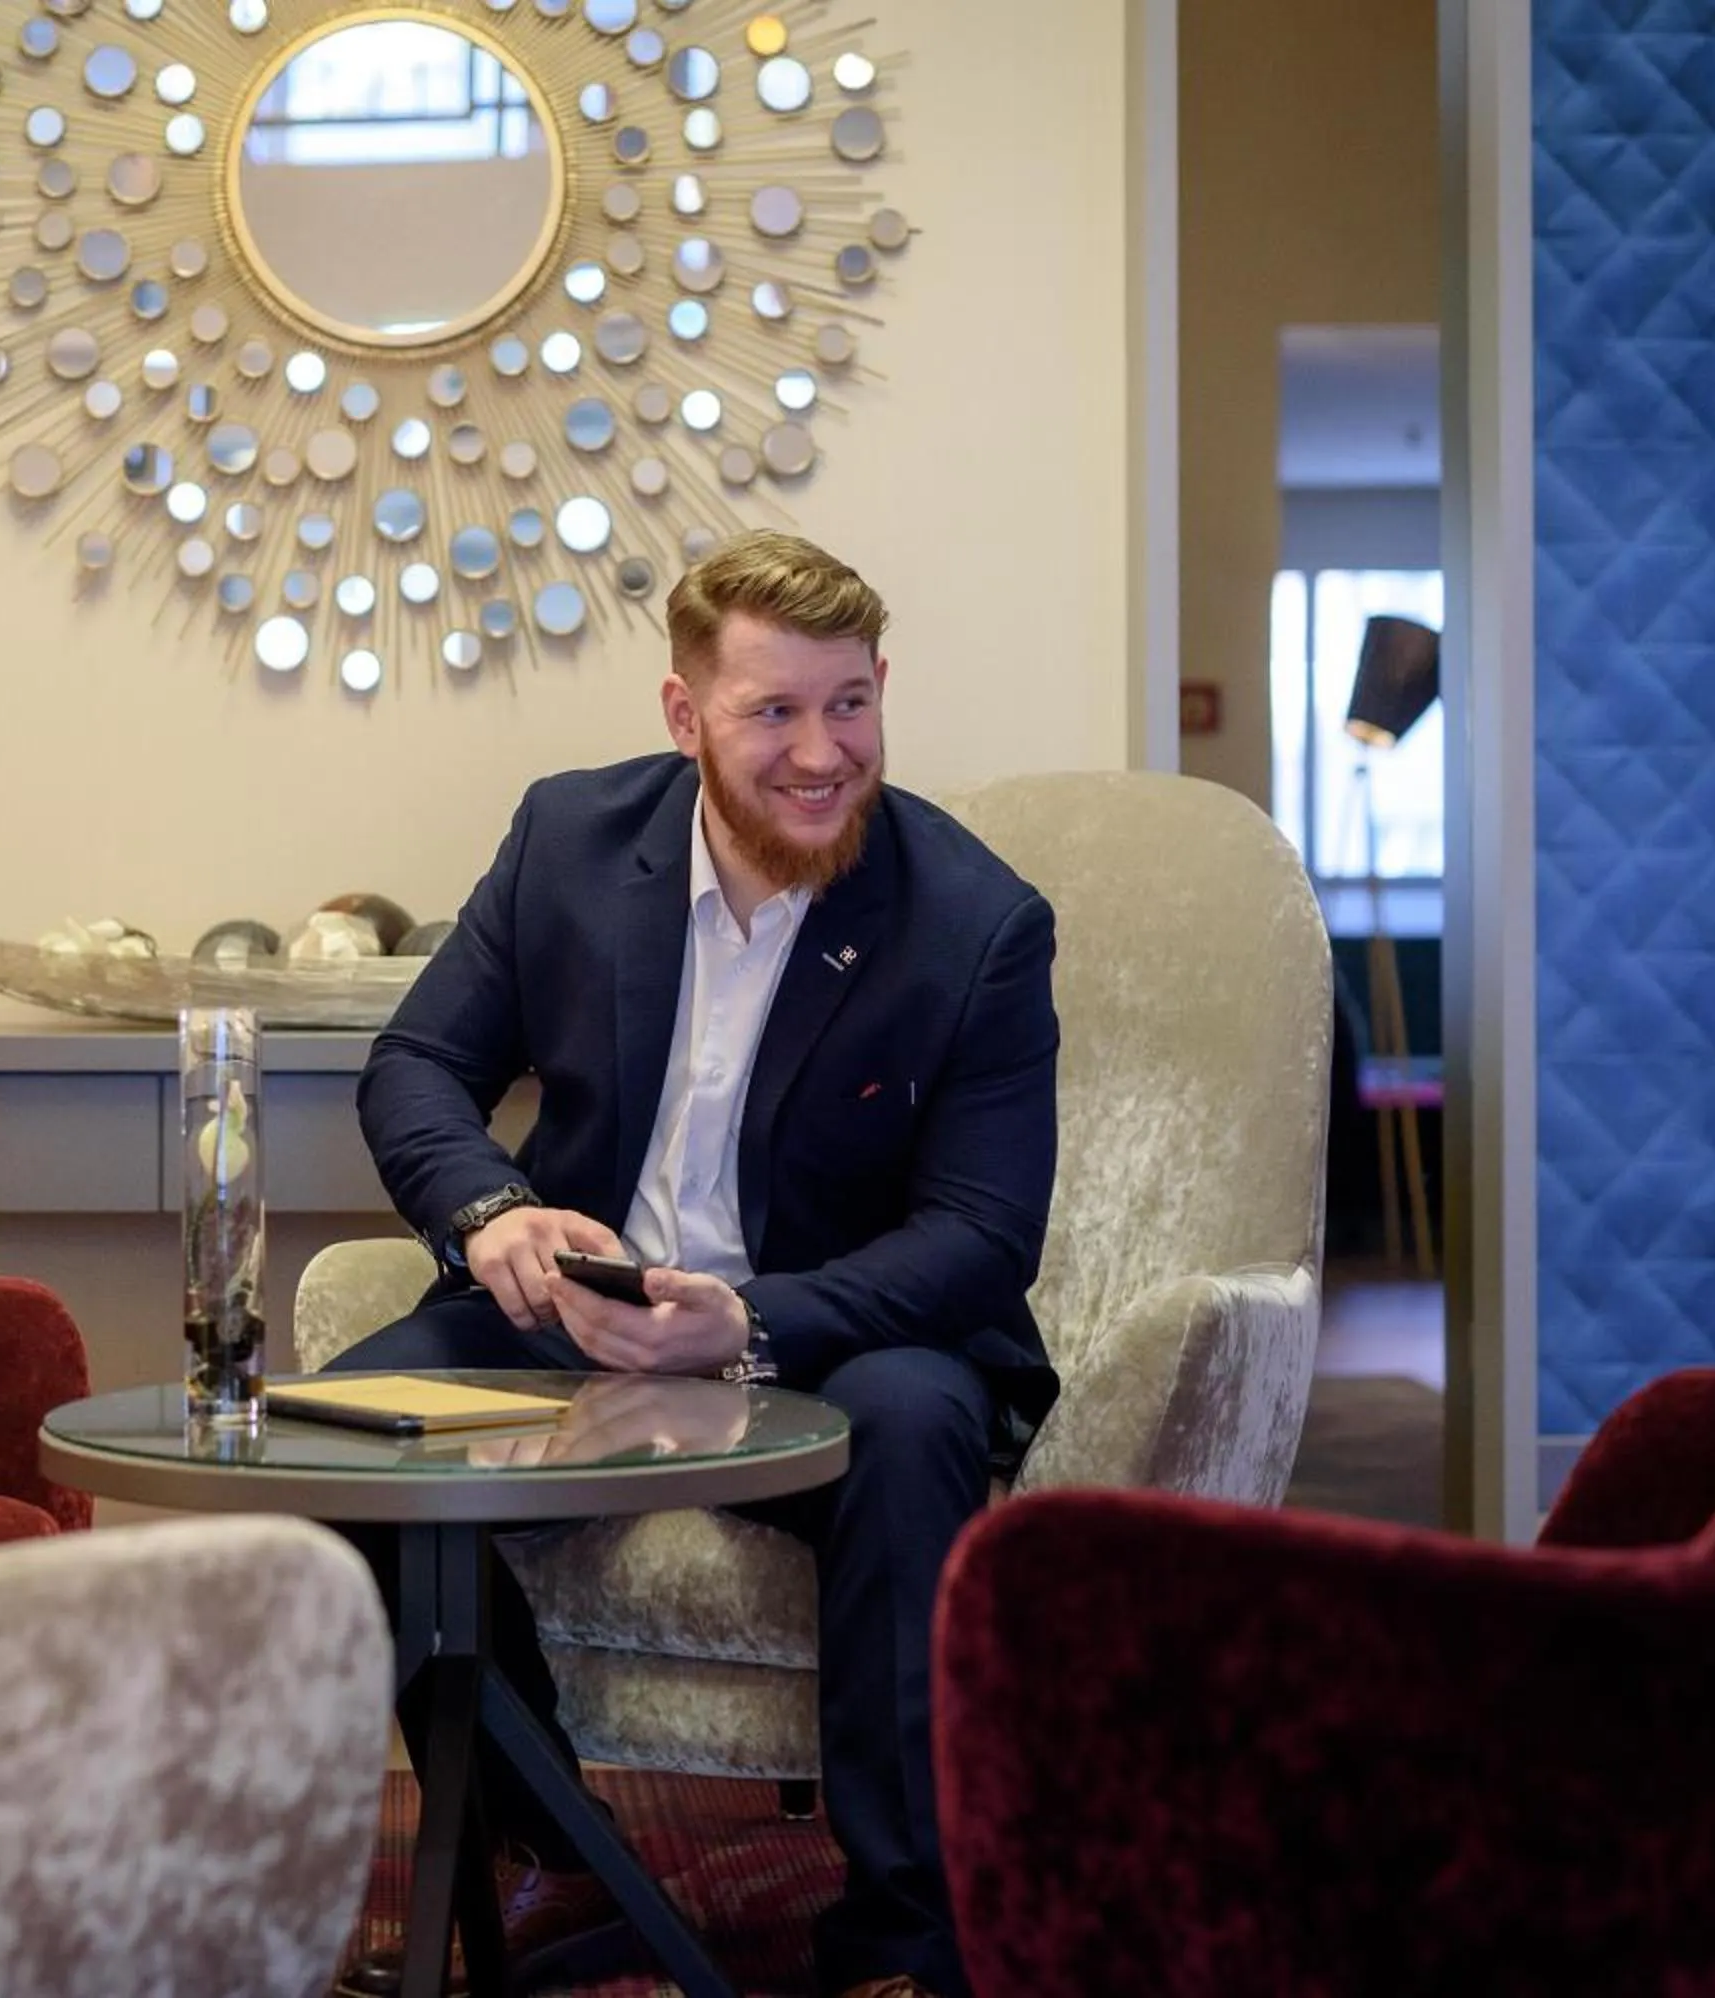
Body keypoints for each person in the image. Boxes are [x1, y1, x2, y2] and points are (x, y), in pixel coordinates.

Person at [330, 530, 1061, 1998]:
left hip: (836, 1333)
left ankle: (905, 1942)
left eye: (849, 703)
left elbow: (981, 1236)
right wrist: (494, 1214)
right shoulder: (569, 840)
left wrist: (747, 1323)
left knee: (919, 1423)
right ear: (684, 713)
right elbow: (415, 1065)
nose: (822, 753)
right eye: (772, 710)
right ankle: (553, 1854)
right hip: (576, 1315)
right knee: (344, 1443)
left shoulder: (976, 922)